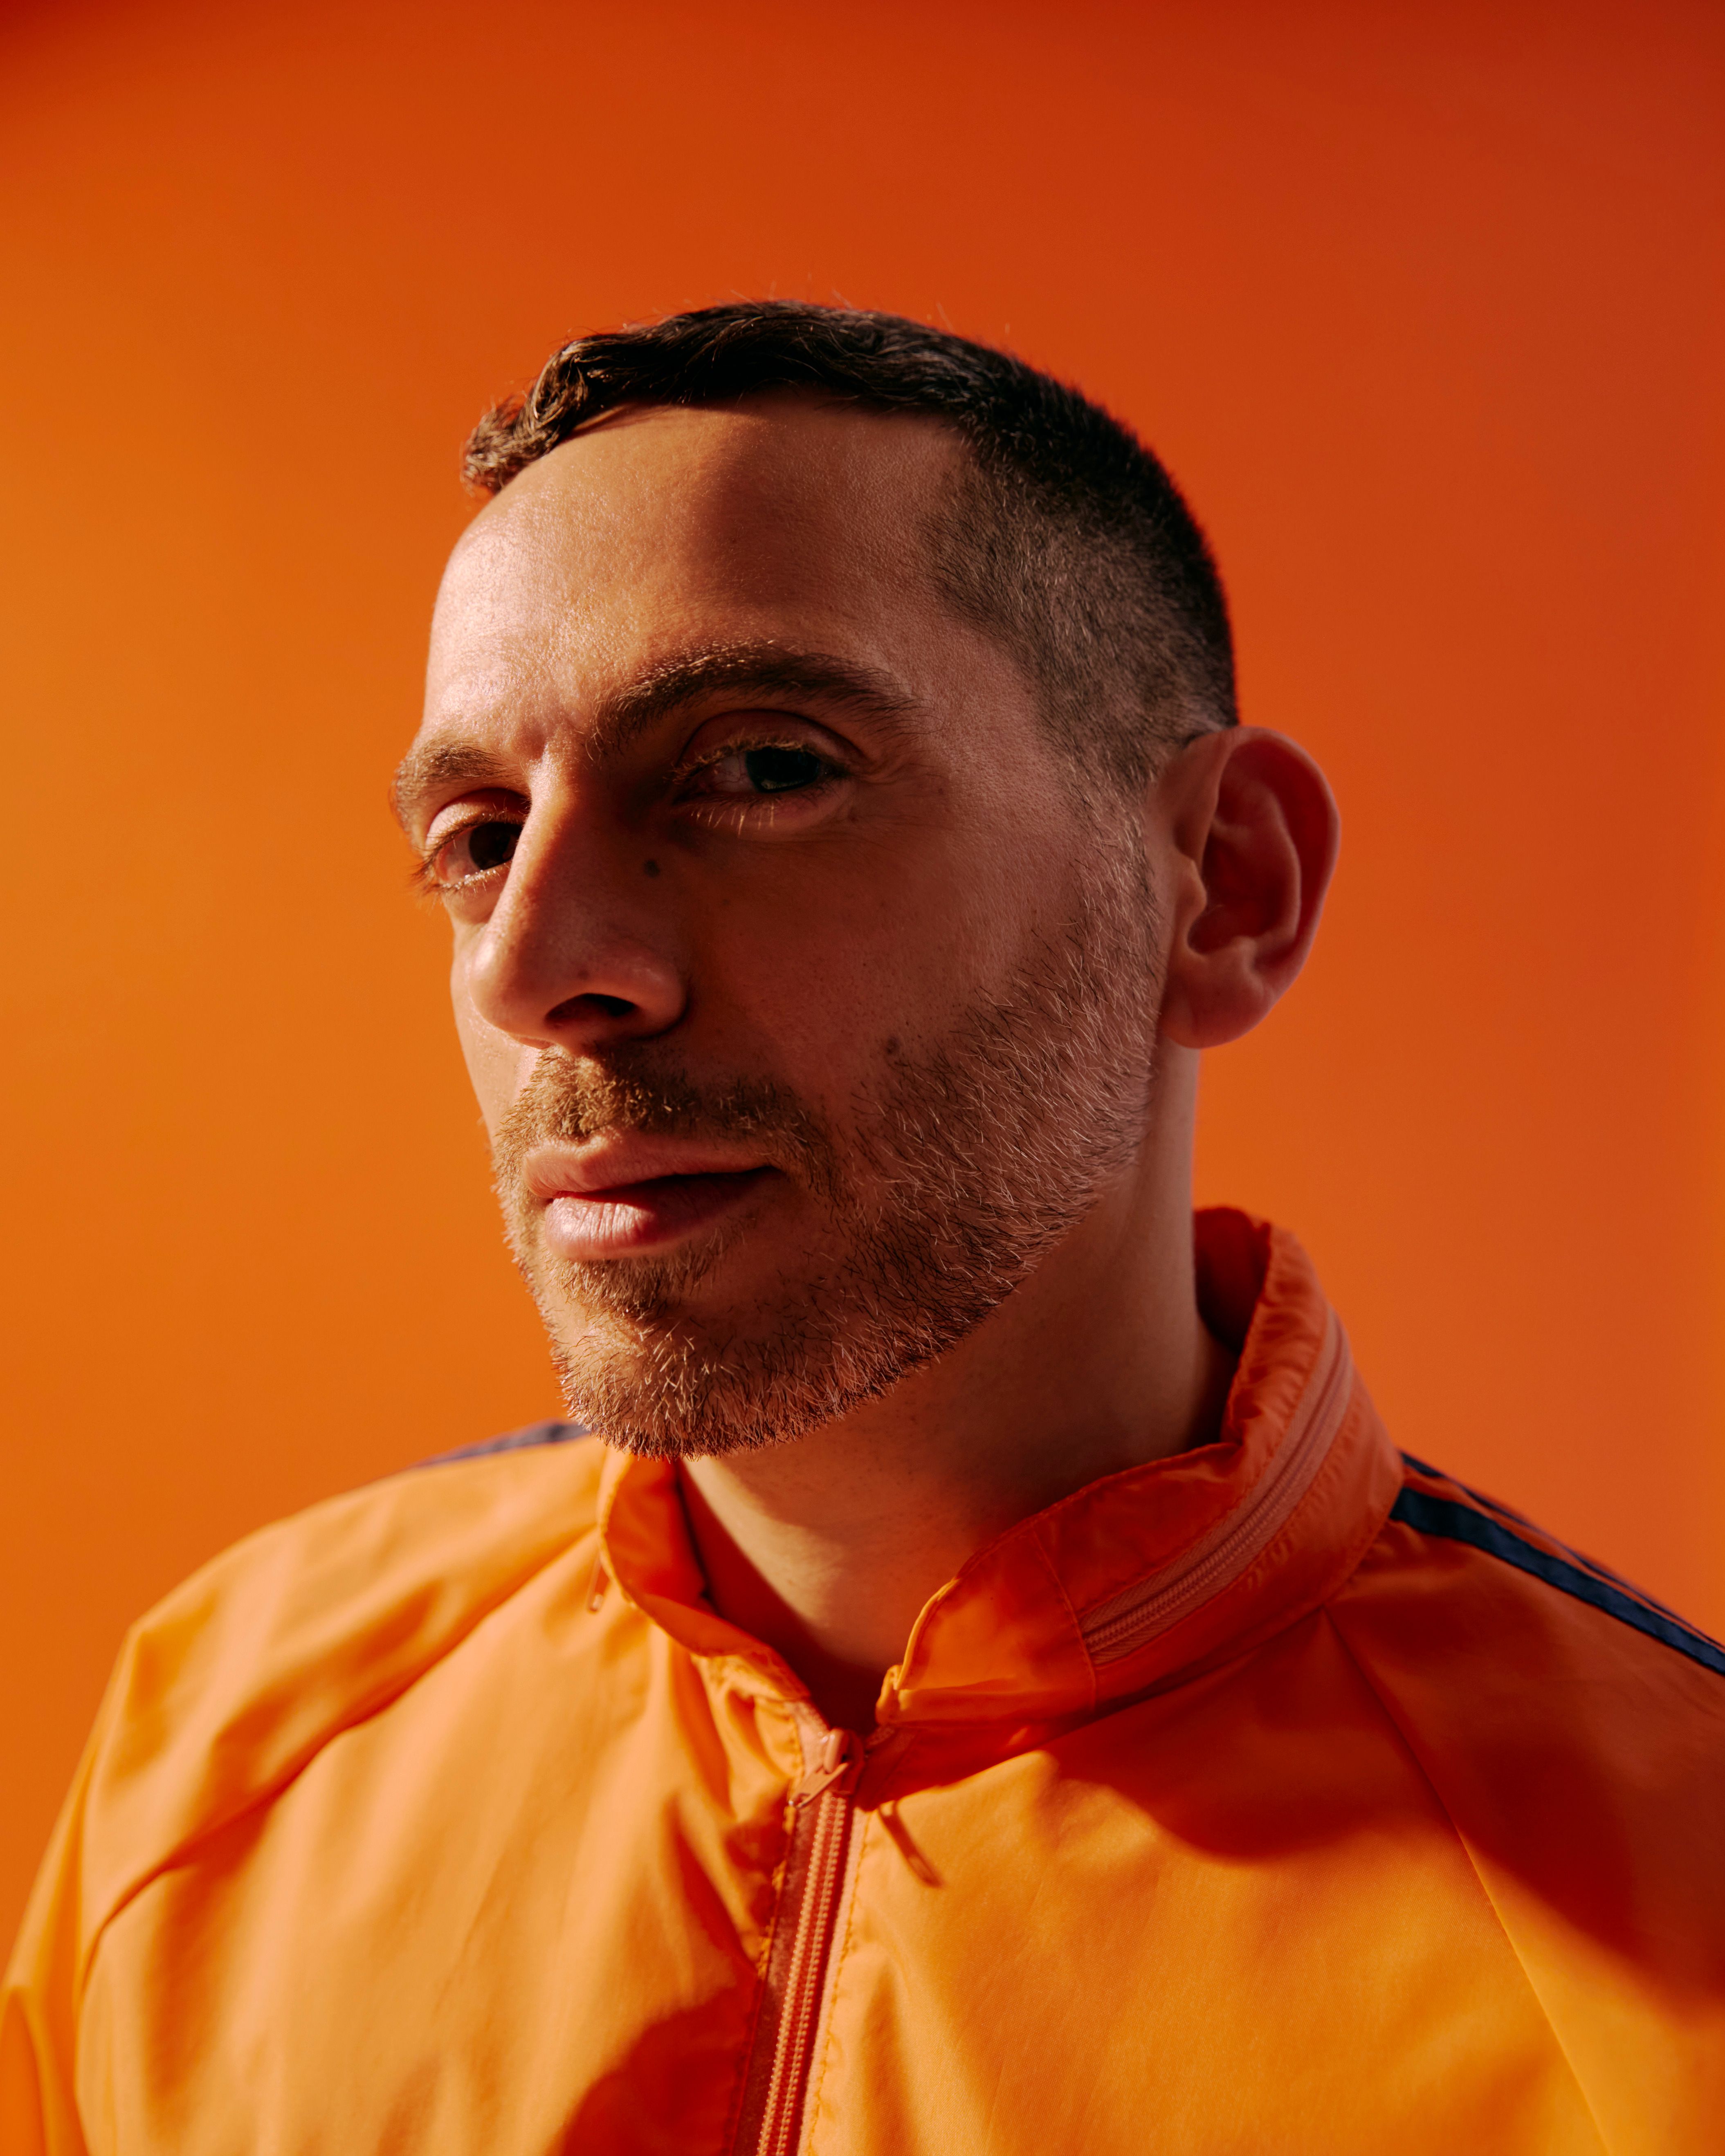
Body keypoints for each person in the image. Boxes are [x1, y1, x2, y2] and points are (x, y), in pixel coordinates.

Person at [4, 303, 1721, 2156]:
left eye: (763, 768)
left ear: (1219, 885)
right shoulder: (222, 1735)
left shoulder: (1677, 1906)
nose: (533, 968)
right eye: (481, 837)